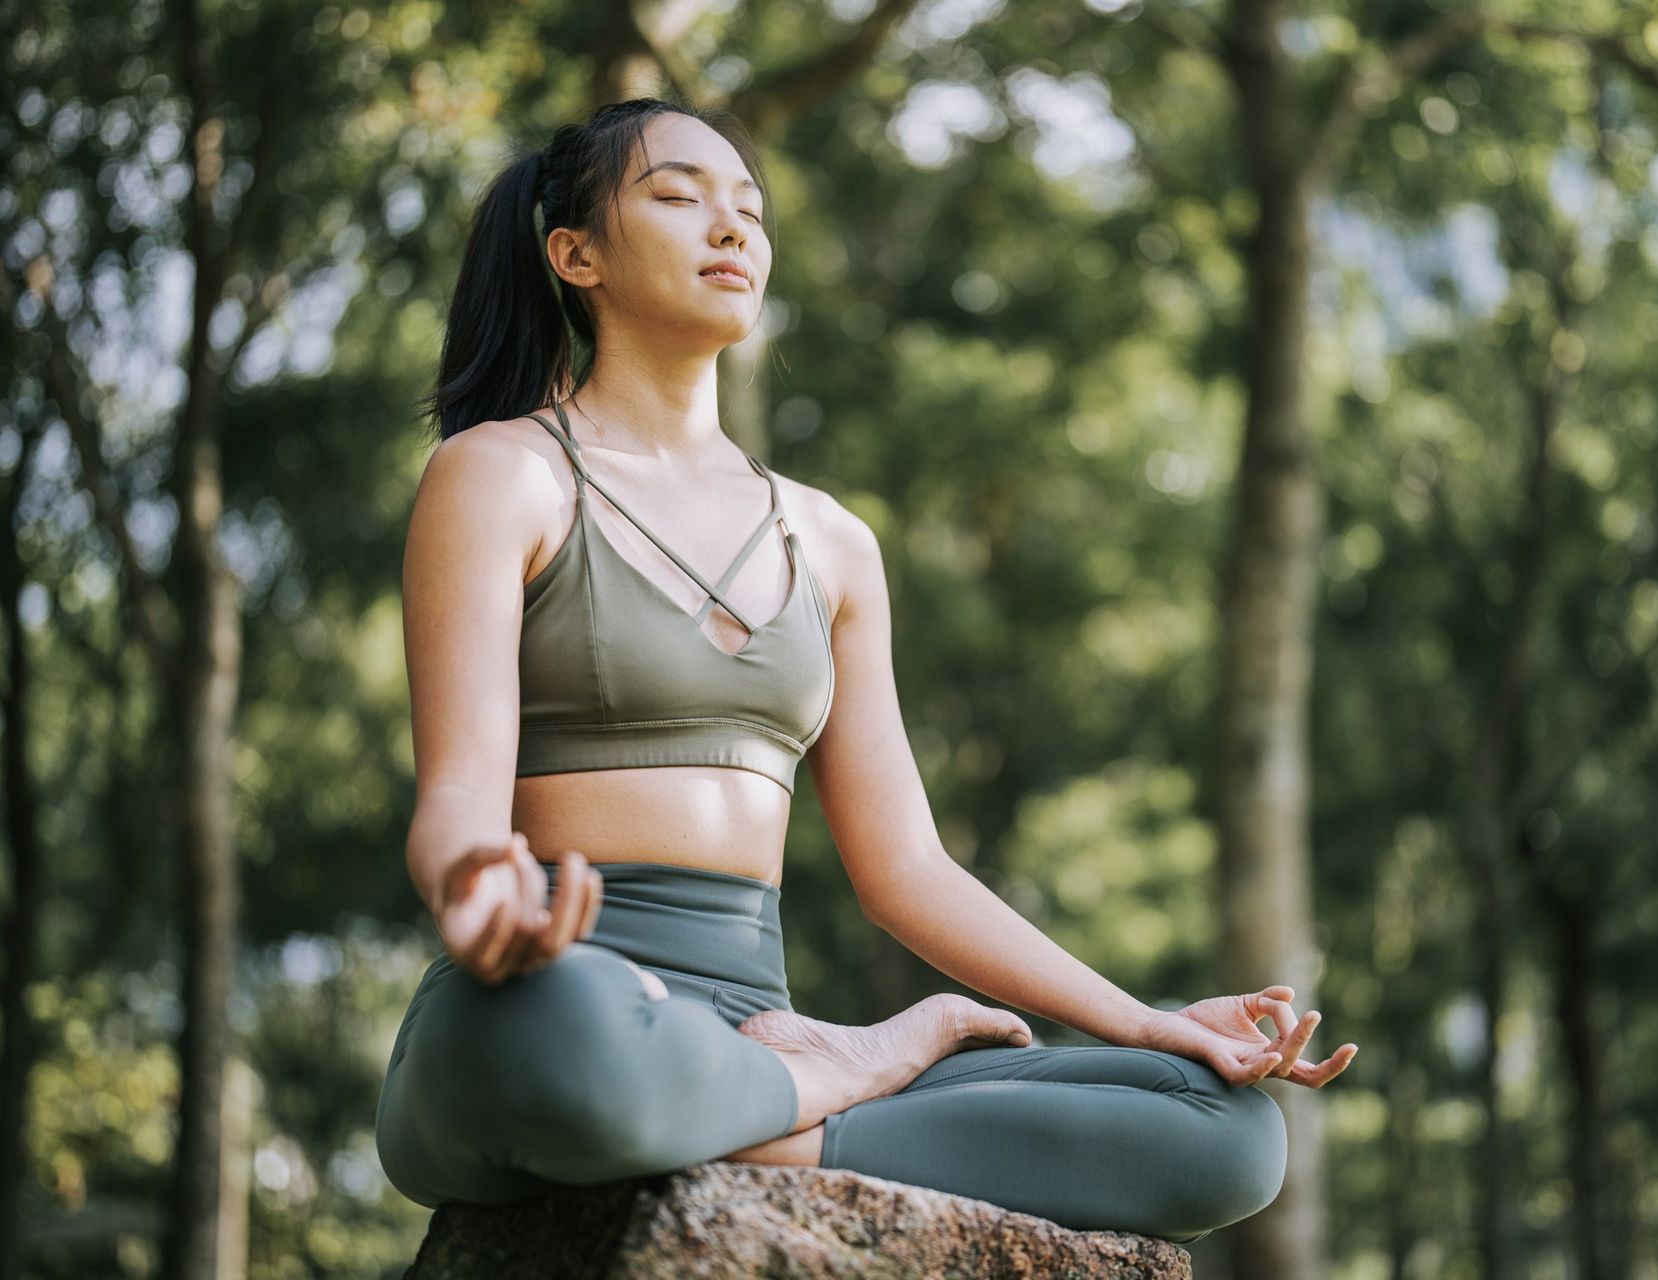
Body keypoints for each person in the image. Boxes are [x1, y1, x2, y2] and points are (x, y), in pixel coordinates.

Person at [373, 95, 1358, 1246]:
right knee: (571, 1034)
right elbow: (457, 794)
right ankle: (858, 1068)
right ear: (574, 253)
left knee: (1228, 1130)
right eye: (679, 195)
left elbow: (908, 868)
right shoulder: (500, 477)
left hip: (753, 1032)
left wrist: (1146, 1021)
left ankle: (770, 1106)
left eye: (749, 207)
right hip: (554, 991)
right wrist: (476, 888)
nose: (731, 227)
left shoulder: (828, 542)